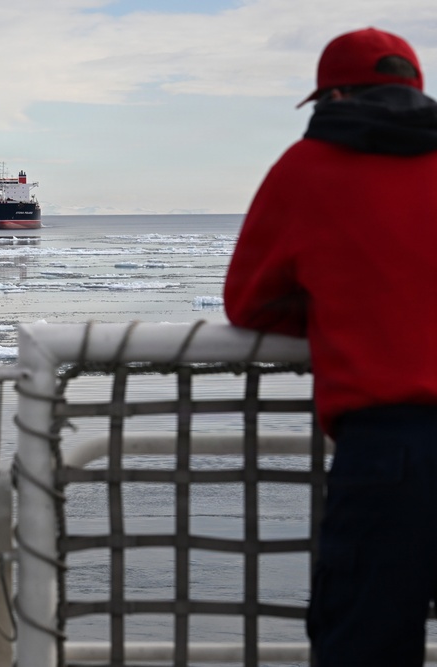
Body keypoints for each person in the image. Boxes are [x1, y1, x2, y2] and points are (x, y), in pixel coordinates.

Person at [224, 27, 437, 667]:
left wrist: (343, 314)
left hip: (389, 452)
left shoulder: (306, 169)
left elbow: (248, 302)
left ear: (334, 94)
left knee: (362, 646)